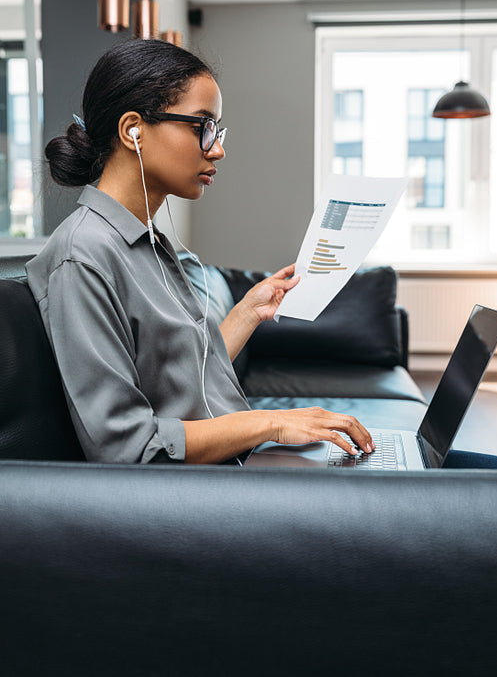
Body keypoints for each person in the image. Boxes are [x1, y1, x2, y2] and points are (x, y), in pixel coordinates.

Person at [26, 38, 375, 465]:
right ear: (132, 130)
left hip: (229, 468)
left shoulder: (148, 242)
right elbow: (127, 447)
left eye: (217, 130)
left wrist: (247, 312)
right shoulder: (82, 255)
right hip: (190, 499)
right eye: (202, 127)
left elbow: (184, 376)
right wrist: (272, 423)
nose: (218, 149)